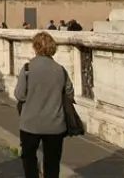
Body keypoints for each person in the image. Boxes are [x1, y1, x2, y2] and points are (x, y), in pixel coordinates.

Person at [14, 31, 76, 178]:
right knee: (52, 163)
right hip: (55, 124)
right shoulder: (60, 70)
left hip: (30, 123)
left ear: (35, 47)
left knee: (29, 158)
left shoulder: (28, 69)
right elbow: (70, 93)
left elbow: (20, 95)